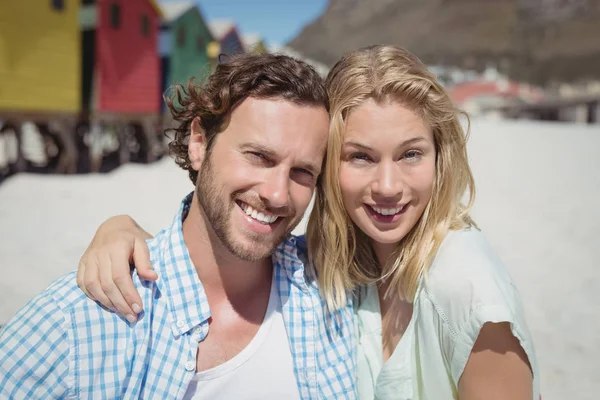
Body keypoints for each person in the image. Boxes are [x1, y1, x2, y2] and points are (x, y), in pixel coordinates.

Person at [77, 45, 540, 399]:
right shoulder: (335, 267)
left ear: (442, 157)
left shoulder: (465, 287)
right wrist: (120, 227)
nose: (387, 186)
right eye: (360, 157)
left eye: (411, 154)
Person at [0, 53, 357, 399]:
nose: (278, 194)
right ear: (199, 143)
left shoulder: (332, 291)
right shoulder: (78, 321)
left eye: (302, 172)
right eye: (259, 156)